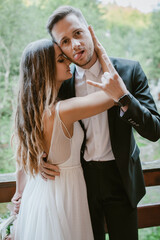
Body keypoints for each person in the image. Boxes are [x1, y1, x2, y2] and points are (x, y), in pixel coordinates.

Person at [39, 5, 160, 240]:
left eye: (77, 33)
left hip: (121, 180)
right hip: (81, 183)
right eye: (64, 41)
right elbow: (39, 123)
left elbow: (155, 130)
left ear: (89, 30)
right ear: (60, 49)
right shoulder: (62, 82)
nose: (74, 44)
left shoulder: (129, 71)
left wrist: (124, 97)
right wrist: (38, 157)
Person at [10, 37, 116, 240]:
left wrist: (19, 192)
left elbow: (21, 160)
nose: (69, 61)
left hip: (38, 193)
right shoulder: (61, 110)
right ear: (45, 69)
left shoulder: (28, 111)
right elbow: (113, 95)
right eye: (61, 59)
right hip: (63, 197)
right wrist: (99, 52)